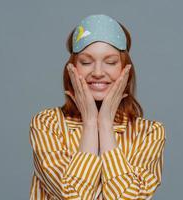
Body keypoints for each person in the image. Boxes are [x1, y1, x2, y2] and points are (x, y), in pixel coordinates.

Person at [29, 14, 167, 200]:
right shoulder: (48, 124)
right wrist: (90, 124)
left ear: (125, 70)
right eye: (86, 62)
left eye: (110, 62)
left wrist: (105, 124)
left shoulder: (148, 133)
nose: (98, 72)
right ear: (72, 68)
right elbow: (74, 196)